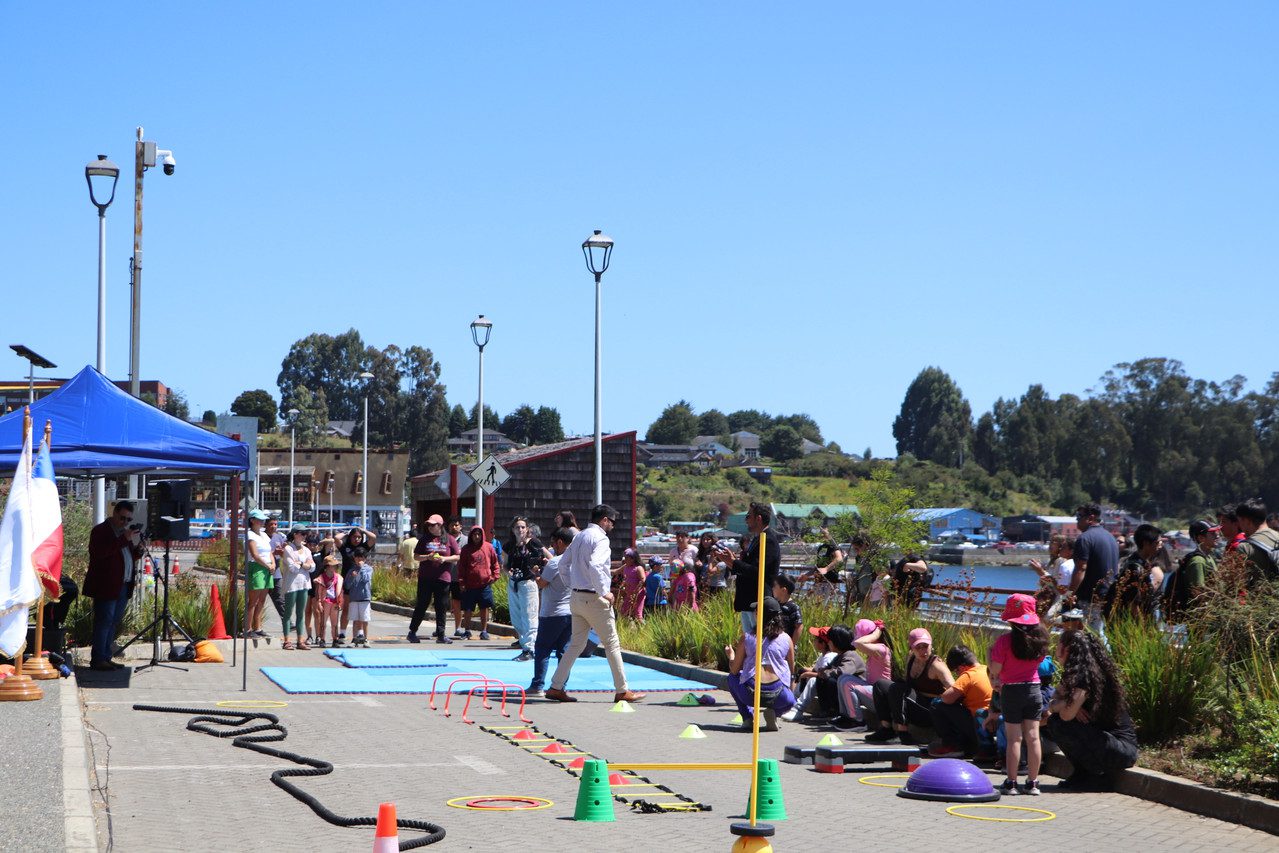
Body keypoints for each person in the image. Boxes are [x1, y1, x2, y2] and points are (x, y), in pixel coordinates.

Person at [545, 504, 646, 704]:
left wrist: (571, 584)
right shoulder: (600, 538)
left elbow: (563, 564)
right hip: (594, 598)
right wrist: (605, 592)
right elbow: (597, 565)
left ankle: (556, 686)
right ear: (605, 520)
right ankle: (622, 690)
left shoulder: (579, 536)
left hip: (576, 597)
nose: (613, 526)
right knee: (612, 644)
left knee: (575, 645)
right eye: (612, 522)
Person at [1045, 629, 1139, 790]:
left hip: (1121, 750)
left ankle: (1097, 777)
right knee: (1055, 721)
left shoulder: (1085, 679)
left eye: (1059, 644)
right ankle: (1082, 773)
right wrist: (1068, 704)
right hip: (1105, 743)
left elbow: (1066, 715)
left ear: (1066, 649)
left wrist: (1067, 705)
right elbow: (1053, 702)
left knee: (1060, 723)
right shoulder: (1075, 675)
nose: (1056, 649)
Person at [989, 593, 1050, 796]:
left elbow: (996, 669)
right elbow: (1040, 664)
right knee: (1033, 737)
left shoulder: (1004, 642)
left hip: (1011, 690)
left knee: (1014, 738)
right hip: (1033, 689)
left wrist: (993, 665)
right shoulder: (1040, 640)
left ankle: (1011, 782)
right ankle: (1033, 783)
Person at [83, 501, 146, 671]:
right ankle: (97, 659)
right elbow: (100, 554)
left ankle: (106, 656)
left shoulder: (123, 534)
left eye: (128, 519)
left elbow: (128, 557)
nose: (125, 522)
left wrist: (138, 550)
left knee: (113, 622)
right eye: (122, 518)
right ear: (114, 514)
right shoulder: (101, 531)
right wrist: (123, 540)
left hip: (123, 585)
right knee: (104, 621)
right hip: (106, 586)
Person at [868, 627, 953, 744]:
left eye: (925, 646)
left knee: (898, 689)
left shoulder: (937, 666)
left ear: (931, 645)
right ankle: (886, 728)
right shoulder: (911, 658)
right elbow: (907, 683)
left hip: (929, 711)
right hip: (913, 703)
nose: (923, 651)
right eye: (918, 647)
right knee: (880, 684)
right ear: (912, 648)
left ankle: (903, 732)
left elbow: (954, 688)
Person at [725, 596, 795, 731]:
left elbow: (734, 670)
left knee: (731, 678)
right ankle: (775, 713)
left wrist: (731, 656)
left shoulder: (748, 637)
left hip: (750, 692)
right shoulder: (787, 639)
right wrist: (790, 692)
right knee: (791, 700)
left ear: (758, 614)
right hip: (779, 694)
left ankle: (747, 717)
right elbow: (792, 670)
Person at [719, 502, 781, 633]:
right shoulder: (757, 539)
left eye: (748, 516)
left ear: (758, 518)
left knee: (760, 641)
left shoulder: (768, 540)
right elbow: (746, 567)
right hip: (748, 601)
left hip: (758, 601)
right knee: (749, 643)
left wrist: (734, 562)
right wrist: (730, 562)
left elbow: (758, 571)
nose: (746, 520)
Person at [528, 528, 576, 696]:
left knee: (542, 649)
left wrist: (536, 573)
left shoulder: (556, 562)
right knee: (564, 652)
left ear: (560, 542)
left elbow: (542, 583)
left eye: (553, 543)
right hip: (570, 611)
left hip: (552, 612)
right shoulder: (576, 561)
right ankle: (559, 687)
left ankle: (537, 685)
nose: (552, 547)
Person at [795, 624, 866, 727]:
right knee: (822, 678)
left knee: (831, 680)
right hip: (845, 690)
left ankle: (840, 713)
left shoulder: (851, 656)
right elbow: (829, 667)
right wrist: (823, 671)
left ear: (837, 642)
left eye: (830, 640)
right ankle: (827, 711)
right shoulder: (839, 656)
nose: (828, 643)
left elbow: (843, 672)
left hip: (855, 690)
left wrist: (825, 673)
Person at [929, 645, 993, 758]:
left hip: (978, 725)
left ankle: (953, 746)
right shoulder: (986, 669)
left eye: (956, 671)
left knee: (937, 704)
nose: (957, 674)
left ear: (961, 667)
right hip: (991, 720)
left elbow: (946, 698)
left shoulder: (968, 675)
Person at [1070, 502, 1120, 643]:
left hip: (1091, 597)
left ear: (1091, 518)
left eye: (1079, 516)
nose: (1077, 520)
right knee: (1102, 632)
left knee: (1093, 635)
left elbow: (1081, 568)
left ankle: (1101, 663)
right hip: (1110, 595)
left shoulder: (1084, 538)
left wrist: (1069, 593)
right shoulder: (1110, 538)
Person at [407, 514, 460, 644]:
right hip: (426, 578)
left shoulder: (449, 539)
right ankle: (412, 632)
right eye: (429, 525)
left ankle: (441, 635)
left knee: (441, 606)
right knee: (422, 604)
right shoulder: (424, 539)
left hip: (443, 578)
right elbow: (416, 556)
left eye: (433, 525)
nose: (430, 527)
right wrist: (427, 557)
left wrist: (444, 559)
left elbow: (457, 556)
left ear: (440, 525)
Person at [505, 517, 545, 661]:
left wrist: (539, 569)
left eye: (523, 527)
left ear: (527, 529)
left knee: (529, 616)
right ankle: (524, 645)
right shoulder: (510, 546)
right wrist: (507, 571)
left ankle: (530, 648)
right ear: (513, 530)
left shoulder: (533, 543)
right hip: (514, 582)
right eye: (517, 527)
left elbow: (548, 557)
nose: (520, 530)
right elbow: (505, 563)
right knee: (516, 617)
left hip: (528, 582)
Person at [1163, 519, 1219, 621]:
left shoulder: (1209, 557)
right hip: (1201, 619)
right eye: (1212, 533)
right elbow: (1198, 594)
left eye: (1216, 532)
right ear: (1201, 538)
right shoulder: (1198, 561)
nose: (1217, 536)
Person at [1105, 524, 1163, 619]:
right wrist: (1143, 627)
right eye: (1157, 543)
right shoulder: (1134, 567)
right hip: (1132, 624)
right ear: (1146, 543)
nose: (1160, 546)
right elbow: (1133, 603)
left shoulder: (1139, 563)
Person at [844, 618, 893, 728]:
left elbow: (858, 643)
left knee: (848, 684)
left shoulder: (881, 649)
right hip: (872, 691)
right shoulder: (873, 650)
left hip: (881, 697)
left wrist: (877, 632)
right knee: (844, 679)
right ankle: (846, 716)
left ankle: (858, 722)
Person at [782, 626, 837, 722]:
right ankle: (792, 702)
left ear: (823, 643)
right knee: (803, 672)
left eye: (816, 639)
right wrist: (803, 670)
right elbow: (816, 669)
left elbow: (823, 675)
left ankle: (798, 709)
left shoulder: (830, 656)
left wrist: (806, 674)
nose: (814, 641)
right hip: (824, 685)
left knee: (812, 680)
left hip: (830, 690)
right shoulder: (823, 655)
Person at [456, 526, 501, 640]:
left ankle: (484, 631)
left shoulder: (489, 547)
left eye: (479, 534)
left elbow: (495, 564)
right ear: (471, 535)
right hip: (469, 585)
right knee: (467, 609)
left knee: (484, 608)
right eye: (474, 534)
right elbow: (461, 567)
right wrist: (461, 582)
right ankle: (467, 630)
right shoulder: (466, 549)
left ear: (482, 535)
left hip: (484, 584)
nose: (476, 537)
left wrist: (494, 576)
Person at [336, 526, 377, 643]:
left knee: (360, 611)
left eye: (359, 537)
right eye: (354, 537)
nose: (357, 539)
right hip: (348, 581)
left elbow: (373, 537)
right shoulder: (346, 548)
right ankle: (342, 634)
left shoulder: (363, 547)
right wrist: (346, 533)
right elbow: (336, 538)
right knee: (346, 609)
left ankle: (360, 634)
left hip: (360, 585)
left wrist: (363, 530)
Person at [279, 526, 315, 650]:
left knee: (301, 613)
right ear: (294, 534)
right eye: (301, 533)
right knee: (288, 613)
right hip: (291, 584)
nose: (304, 536)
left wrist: (300, 564)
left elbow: (313, 567)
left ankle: (300, 640)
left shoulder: (306, 550)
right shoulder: (288, 549)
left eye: (306, 533)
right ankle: (287, 640)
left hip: (304, 583)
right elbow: (292, 568)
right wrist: (305, 565)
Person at [243, 509, 275, 641]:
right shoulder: (250, 535)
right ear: (252, 520)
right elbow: (255, 555)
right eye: (259, 519)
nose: (262, 522)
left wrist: (272, 564)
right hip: (257, 567)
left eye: (263, 520)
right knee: (253, 601)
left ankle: (258, 628)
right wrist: (267, 565)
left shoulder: (264, 535)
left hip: (267, 568)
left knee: (262, 600)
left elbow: (270, 552)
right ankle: (248, 629)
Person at [1235, 498, 1279, 587]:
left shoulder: (1245, 547)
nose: (1239, 526)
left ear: (1246, 521)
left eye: (1239, 521)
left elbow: (1240, 583)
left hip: (1265, 599)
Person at [345, 549, 374, 646]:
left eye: (362, 557)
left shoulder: (368, 569)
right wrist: (352, 577)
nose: (359, 559)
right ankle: (354, 639)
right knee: (355, 619)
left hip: (365, 598)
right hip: (354, 598)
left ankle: (366, 639)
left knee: (364, 620)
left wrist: (361, 569)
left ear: (365, 558)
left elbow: (366, 579)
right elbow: (347, 585)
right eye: (357, 557)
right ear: (354, 558)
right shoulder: (351, 570)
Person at [314, 555, 343, 647]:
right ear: (326, 566)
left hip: (335, 601)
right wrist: (319, 602)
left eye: (335, 566)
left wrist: (340, 602)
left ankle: (335, 639)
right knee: (323, 621)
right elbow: (318, 592)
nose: (334, 567)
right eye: (332, 565)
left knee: (334, 622)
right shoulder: (321, 578)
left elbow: (340, 592)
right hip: (325, 601)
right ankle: (322, 639)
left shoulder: (338, 578)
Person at [446, 517, 466, 636]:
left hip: (458, 577)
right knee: (442, 604)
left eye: (456, 525)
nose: (454, 527)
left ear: (461, 526)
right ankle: (440, 627)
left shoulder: (467, 540)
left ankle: (458, 628)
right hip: (444, 576)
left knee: (457, 603)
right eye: (452, 525)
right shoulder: (444, 539)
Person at [266, 517, 287, 620]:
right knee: (259, 599)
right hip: (264, 569)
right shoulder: (262, 537)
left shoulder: (279, 537)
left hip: (277, 571)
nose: (273, 526)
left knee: (279, 596)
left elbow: (283, 554)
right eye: (271, 524)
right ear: (266, 525)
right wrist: (274, 553)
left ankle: (286, 619)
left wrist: (283, 552)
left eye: (275, 524)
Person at [772, 574, 801, 646]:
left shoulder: (793, 607)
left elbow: (799, 627)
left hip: (785, 646)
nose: (772, 588)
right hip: (774, 644)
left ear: (783, 590)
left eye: (775, 586)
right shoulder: (774, 604)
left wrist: (791, 645)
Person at [618, 548, 647, 620]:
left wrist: (636, 591)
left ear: (632, 559)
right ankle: (628, 628)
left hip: (638, 594)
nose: (625, 560)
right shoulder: (625, 567)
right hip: (628, 594)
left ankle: (643, 628)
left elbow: (643, 580)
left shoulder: (638, 568)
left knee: (638, 614)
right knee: (623, 612)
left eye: (627, 558)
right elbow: (616, 571)